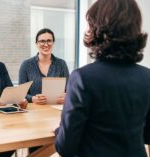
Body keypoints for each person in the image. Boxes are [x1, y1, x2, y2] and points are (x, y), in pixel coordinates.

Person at [55, 0, 150, 157]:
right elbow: (147, 135)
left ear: (97, 29)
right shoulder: (147, 77)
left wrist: (60, 131)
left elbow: (65, 147)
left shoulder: (82, 78)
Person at [18, 28, 69, 107]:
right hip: (34, 112)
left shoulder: (62, 64)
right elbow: (20, 94)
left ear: (53, 43)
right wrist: (32, 98)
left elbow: (69, 90)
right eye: (42, 41)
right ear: (37, 44)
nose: (46, 44)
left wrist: (66, 96)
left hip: (57, 110)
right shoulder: (26, 65)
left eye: (49, 41)